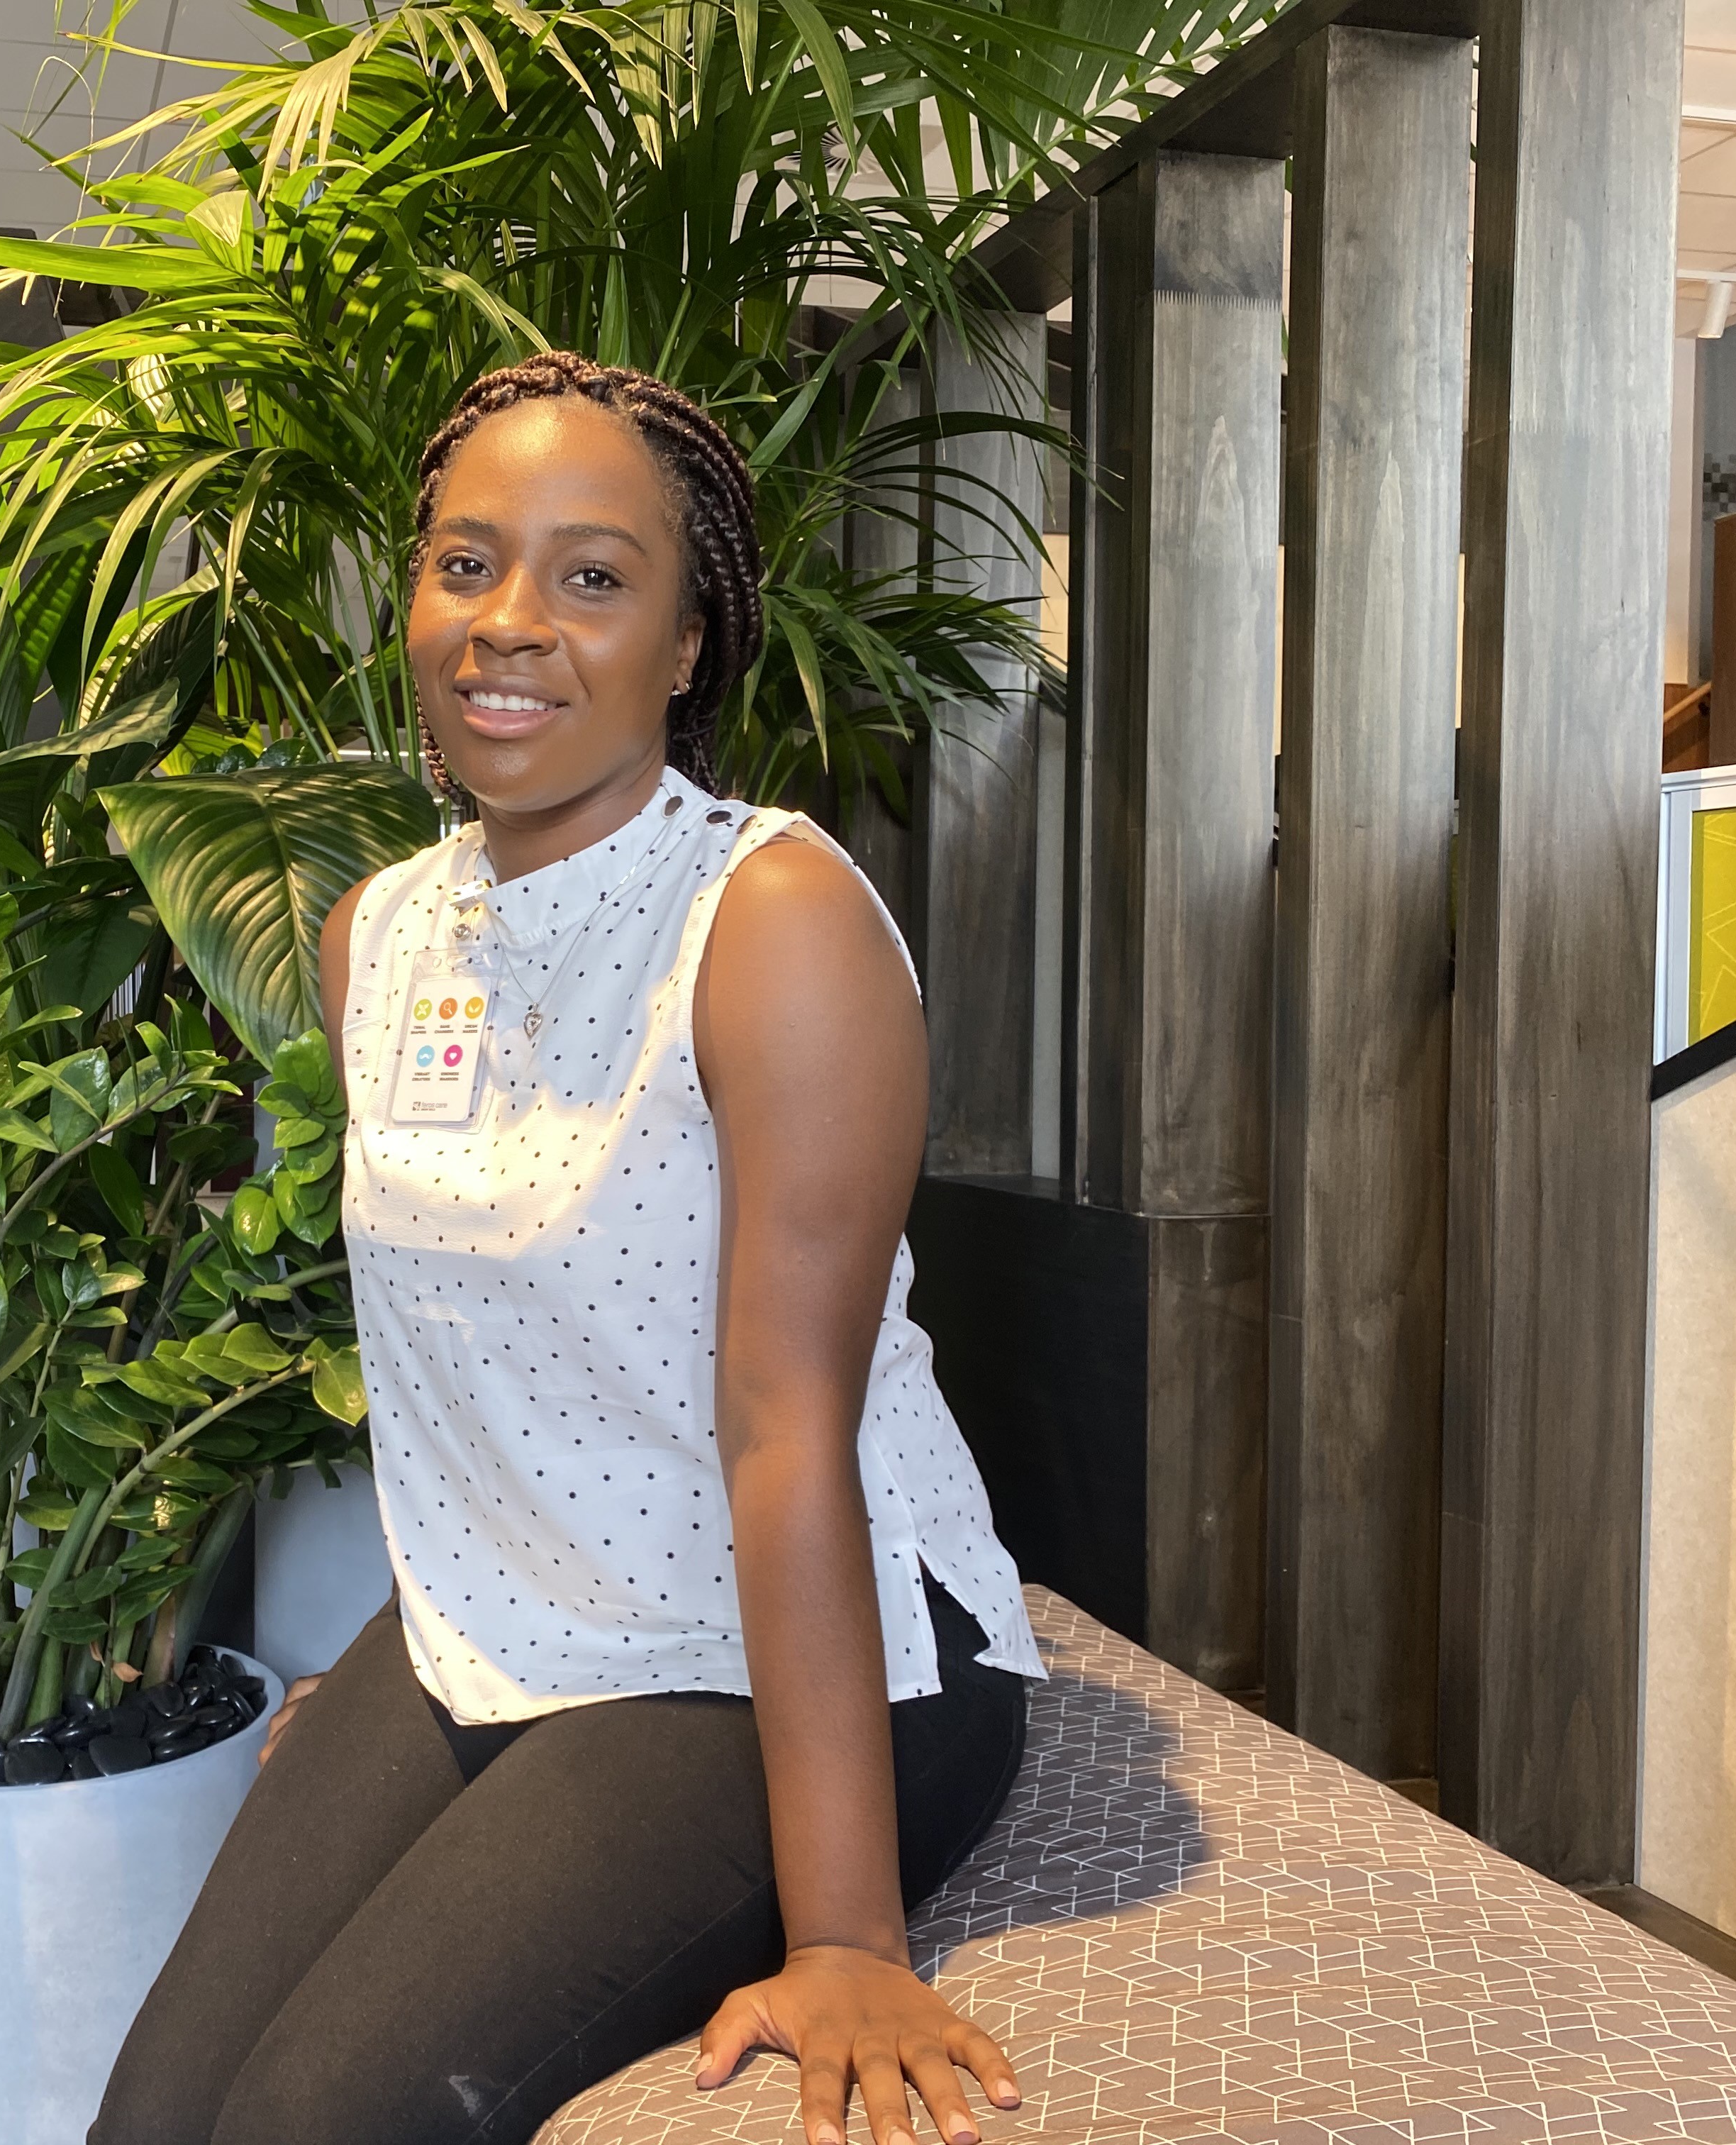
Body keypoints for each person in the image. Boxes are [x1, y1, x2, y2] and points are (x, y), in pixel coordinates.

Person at [93, 352, 1046, 2145]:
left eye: (593, 577)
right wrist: (413, 1644)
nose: (510, 623)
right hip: (505, 1619)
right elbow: (478, 1356)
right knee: (148, 2123)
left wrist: (846, 1932)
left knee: (313, 2126)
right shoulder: (381, 930)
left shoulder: (769, 919)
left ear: (689, 645)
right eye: (467, 564)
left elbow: (788, 1428)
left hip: (779, 1639)